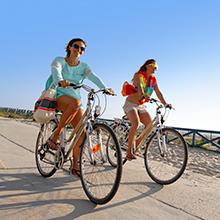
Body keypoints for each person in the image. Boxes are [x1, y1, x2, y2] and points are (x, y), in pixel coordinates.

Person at [45, 38, 114, 176]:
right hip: (58, 95)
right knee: (75, 103)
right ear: (70, 47)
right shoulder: (59, 60)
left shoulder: (84, 67)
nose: (79, 50)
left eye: (82, 49)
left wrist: (104, 88)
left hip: (74, 101)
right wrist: (60, 81)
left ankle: (75, 164)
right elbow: (55, 69)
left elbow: (93, 77)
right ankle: (55, 135)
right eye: (76, 46)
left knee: (82, 133)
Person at [122, 59, 172, 160]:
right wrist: (143, 95)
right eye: (153, 67)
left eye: (156, 68)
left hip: (141, 106)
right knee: (136, 123)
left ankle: (136, 143)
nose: (155, 69)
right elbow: (140, 87)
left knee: (150, 126)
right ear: (147, 66)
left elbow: (158, 92)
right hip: (131, 104)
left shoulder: (153, 79)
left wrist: (165, 103)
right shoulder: (138, 75)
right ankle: (128, 152)